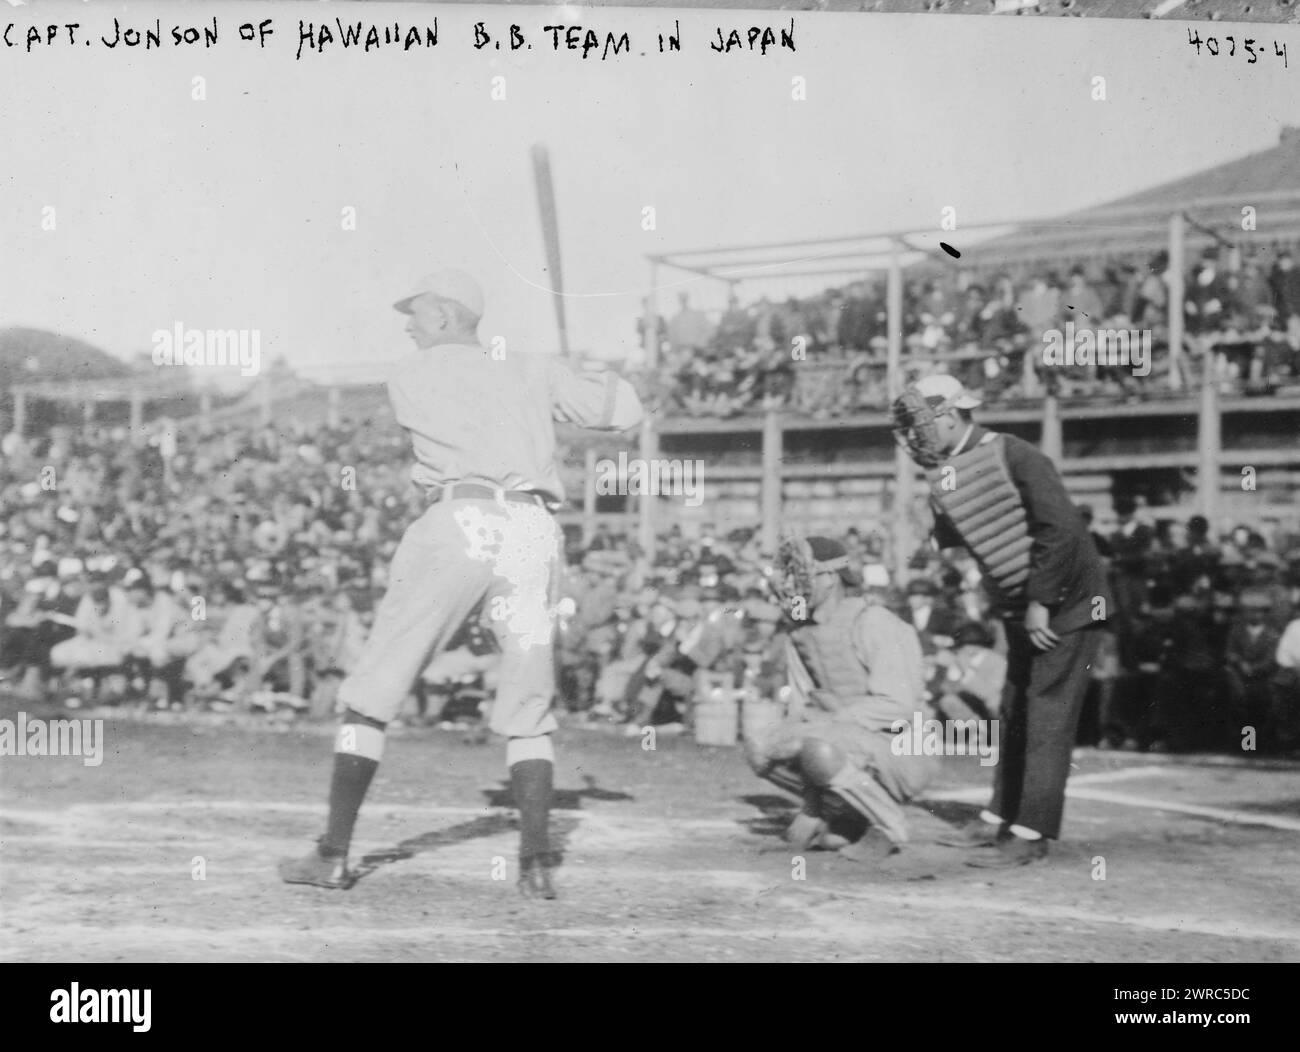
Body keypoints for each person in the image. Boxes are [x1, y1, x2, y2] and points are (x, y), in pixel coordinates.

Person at [278, 269, 644, 898]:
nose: (408, 326)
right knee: (529, 705)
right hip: (531, 528)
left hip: (460, 519)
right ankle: (535, 865)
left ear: (446, 316)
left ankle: (333, 855)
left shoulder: (413, 371)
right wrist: (581, 372)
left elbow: (475, 391)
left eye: (416, 314)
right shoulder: (531, 366)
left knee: (374, 689)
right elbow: (626, 411)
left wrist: (548, 373)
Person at [892, 374, 1112, 866]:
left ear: (952, 415)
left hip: (1067, 603)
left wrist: (1042, 601)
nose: (915, 436)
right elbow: (961, 535)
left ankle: (1031, 834)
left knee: (1046, 715)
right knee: (1014, 711)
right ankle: (1000, 817)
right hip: (1022, 602)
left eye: (922, 424)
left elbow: (1061, 529)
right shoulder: (952, 467)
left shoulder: (1015, 454)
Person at [743, 536, 932, 860]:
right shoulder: (800, 632)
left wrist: (827, 726)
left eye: (800, 575)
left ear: (830, 578)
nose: (790, 584)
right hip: (848, 737)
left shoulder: (873, 621)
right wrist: (811, 803)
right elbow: (799, 709)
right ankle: (847, 814)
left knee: (817, 746)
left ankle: (890, 826)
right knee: (761, 748)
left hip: (905, 745)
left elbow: (898, 705)